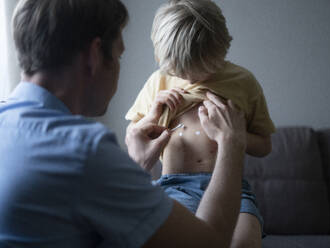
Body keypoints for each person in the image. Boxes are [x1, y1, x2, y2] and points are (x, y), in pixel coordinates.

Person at [0, 0, 254, 247]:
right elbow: (208, 243)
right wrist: (231, 143)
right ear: (95, 55)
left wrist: (137, 166)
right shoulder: (85, 151)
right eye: (120, 55)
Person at [125, 0, 276, 247]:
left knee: (243, 243)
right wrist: (152, 116)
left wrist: (234, 134)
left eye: (202, 69)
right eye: (181, 72)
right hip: (175, 187)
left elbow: (265, 146)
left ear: (221, 51)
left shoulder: (243, 82)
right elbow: (134, 138)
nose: (191, 79)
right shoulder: (159, 82)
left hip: (233, 189)